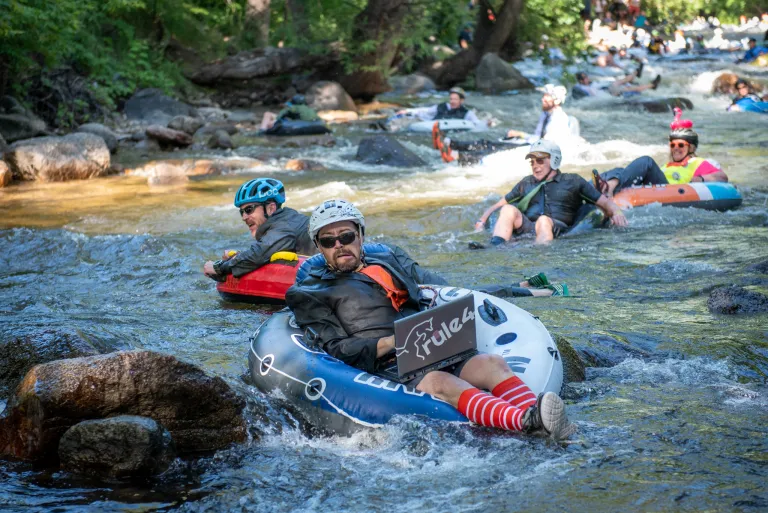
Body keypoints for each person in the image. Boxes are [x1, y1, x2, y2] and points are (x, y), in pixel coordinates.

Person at [285, 199, 577, 439]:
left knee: (492, 363)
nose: (339, 245)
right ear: (319, 247)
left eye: (346, 236)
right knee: (441, 382)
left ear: (360, 235)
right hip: (390, 363)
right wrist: (392, 342)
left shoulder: (387, 260)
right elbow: (337, 348)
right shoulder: (310, 292)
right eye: (328, 240)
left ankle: (546, 416)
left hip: (434, 341)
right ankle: (526, 422)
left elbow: (431, 291)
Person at [474, 140, 628, 245]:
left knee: (543, 220)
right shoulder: (526, 182)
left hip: (558, 227)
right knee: (508, 209)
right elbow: (499, 204)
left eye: (540, 161)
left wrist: (617, 212)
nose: (535, 166)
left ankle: (540, 254)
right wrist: (482, 220)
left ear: (554, 160)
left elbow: (604, 202)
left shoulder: (572, 180)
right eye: (532, 162)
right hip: (529, 227)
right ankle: (496, 246)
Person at [595, 109, 728, 198]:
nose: (676, 148)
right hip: (653, 189)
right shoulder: (666, 166)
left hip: (671, 192)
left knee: (646, 162)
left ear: (691, 148)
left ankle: (609, 188)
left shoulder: (698, 163)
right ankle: (596, 188)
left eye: (681, 145)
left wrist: (701, 179)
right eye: (673, 145)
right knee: (618, 170)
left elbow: (723, 177)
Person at [203, 178, 317, 281]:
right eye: (241, 212)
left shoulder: (284, 226)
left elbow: (258, 255)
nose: (244, 217)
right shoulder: (287, 220)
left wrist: (218, 267)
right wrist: (237, 258)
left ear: (270, 208)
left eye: (249, 210)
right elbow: (262, 253)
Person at [437, 85, 573, 164]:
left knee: (493, 148)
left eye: (546, 96)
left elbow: (544, 144)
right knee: (489, 143)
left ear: (556, 101)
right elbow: (537, 136)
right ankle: (450, 144)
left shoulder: (558, 119)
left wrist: (520, 136)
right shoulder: (545, 114)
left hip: (537, 149)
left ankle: (456, 156)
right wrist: (519, 135)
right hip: (532, 143)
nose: (542, 99)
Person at [397, 87, 488, 131]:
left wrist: (487, 124)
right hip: (433, 128)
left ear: (461, 100)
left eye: (455, 99)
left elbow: (477, 124)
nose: (452, 101)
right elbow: (425, 111)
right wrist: (407, 111)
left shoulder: (467, 113)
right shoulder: (441, 107)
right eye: (451, 99)